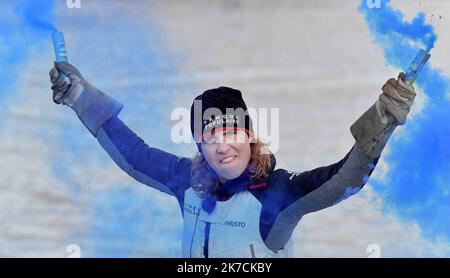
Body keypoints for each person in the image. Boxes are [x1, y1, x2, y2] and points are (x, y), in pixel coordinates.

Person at [49, 62, 415, 258]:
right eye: (209, 137)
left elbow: (343, 180)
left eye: (231, 133)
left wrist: (383, 119)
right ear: (199, 146)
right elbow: (134, 156)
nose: (222, 146)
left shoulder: (279, 197)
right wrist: (80, 97)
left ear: (250, 136)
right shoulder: (188, 183)